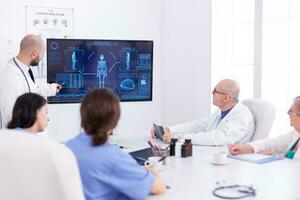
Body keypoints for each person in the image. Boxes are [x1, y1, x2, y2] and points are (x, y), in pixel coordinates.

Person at [66, 88, 165, 200]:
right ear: (114, 120)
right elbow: (158, 188)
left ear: (83, 115)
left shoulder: (67, 148)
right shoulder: (114, 157)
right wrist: (153, 172)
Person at [152, 79, 255, 145]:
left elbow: (217, 138)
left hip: (231, 164)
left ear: (226, 98)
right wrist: (169, 130)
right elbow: (198, 125)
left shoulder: (242, 116)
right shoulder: (221, 111)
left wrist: (180, 138)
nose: (212, 93)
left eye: (215, 91)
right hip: (212, 155)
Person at [0, 34, 61, 127]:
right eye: (42, 54)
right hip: (19, 137)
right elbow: (11, 117)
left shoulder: (22, 69)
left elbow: (30, 90)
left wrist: (51, 88)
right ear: (34, 54)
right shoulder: (12, 80)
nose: (42, 58)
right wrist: (38, 120)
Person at [229, 96, 300, 159]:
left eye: (291, 111)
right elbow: (272, 143)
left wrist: (276, 157)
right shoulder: (296, 133)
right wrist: (247, 147)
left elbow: (295, 164)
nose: (288, 113)